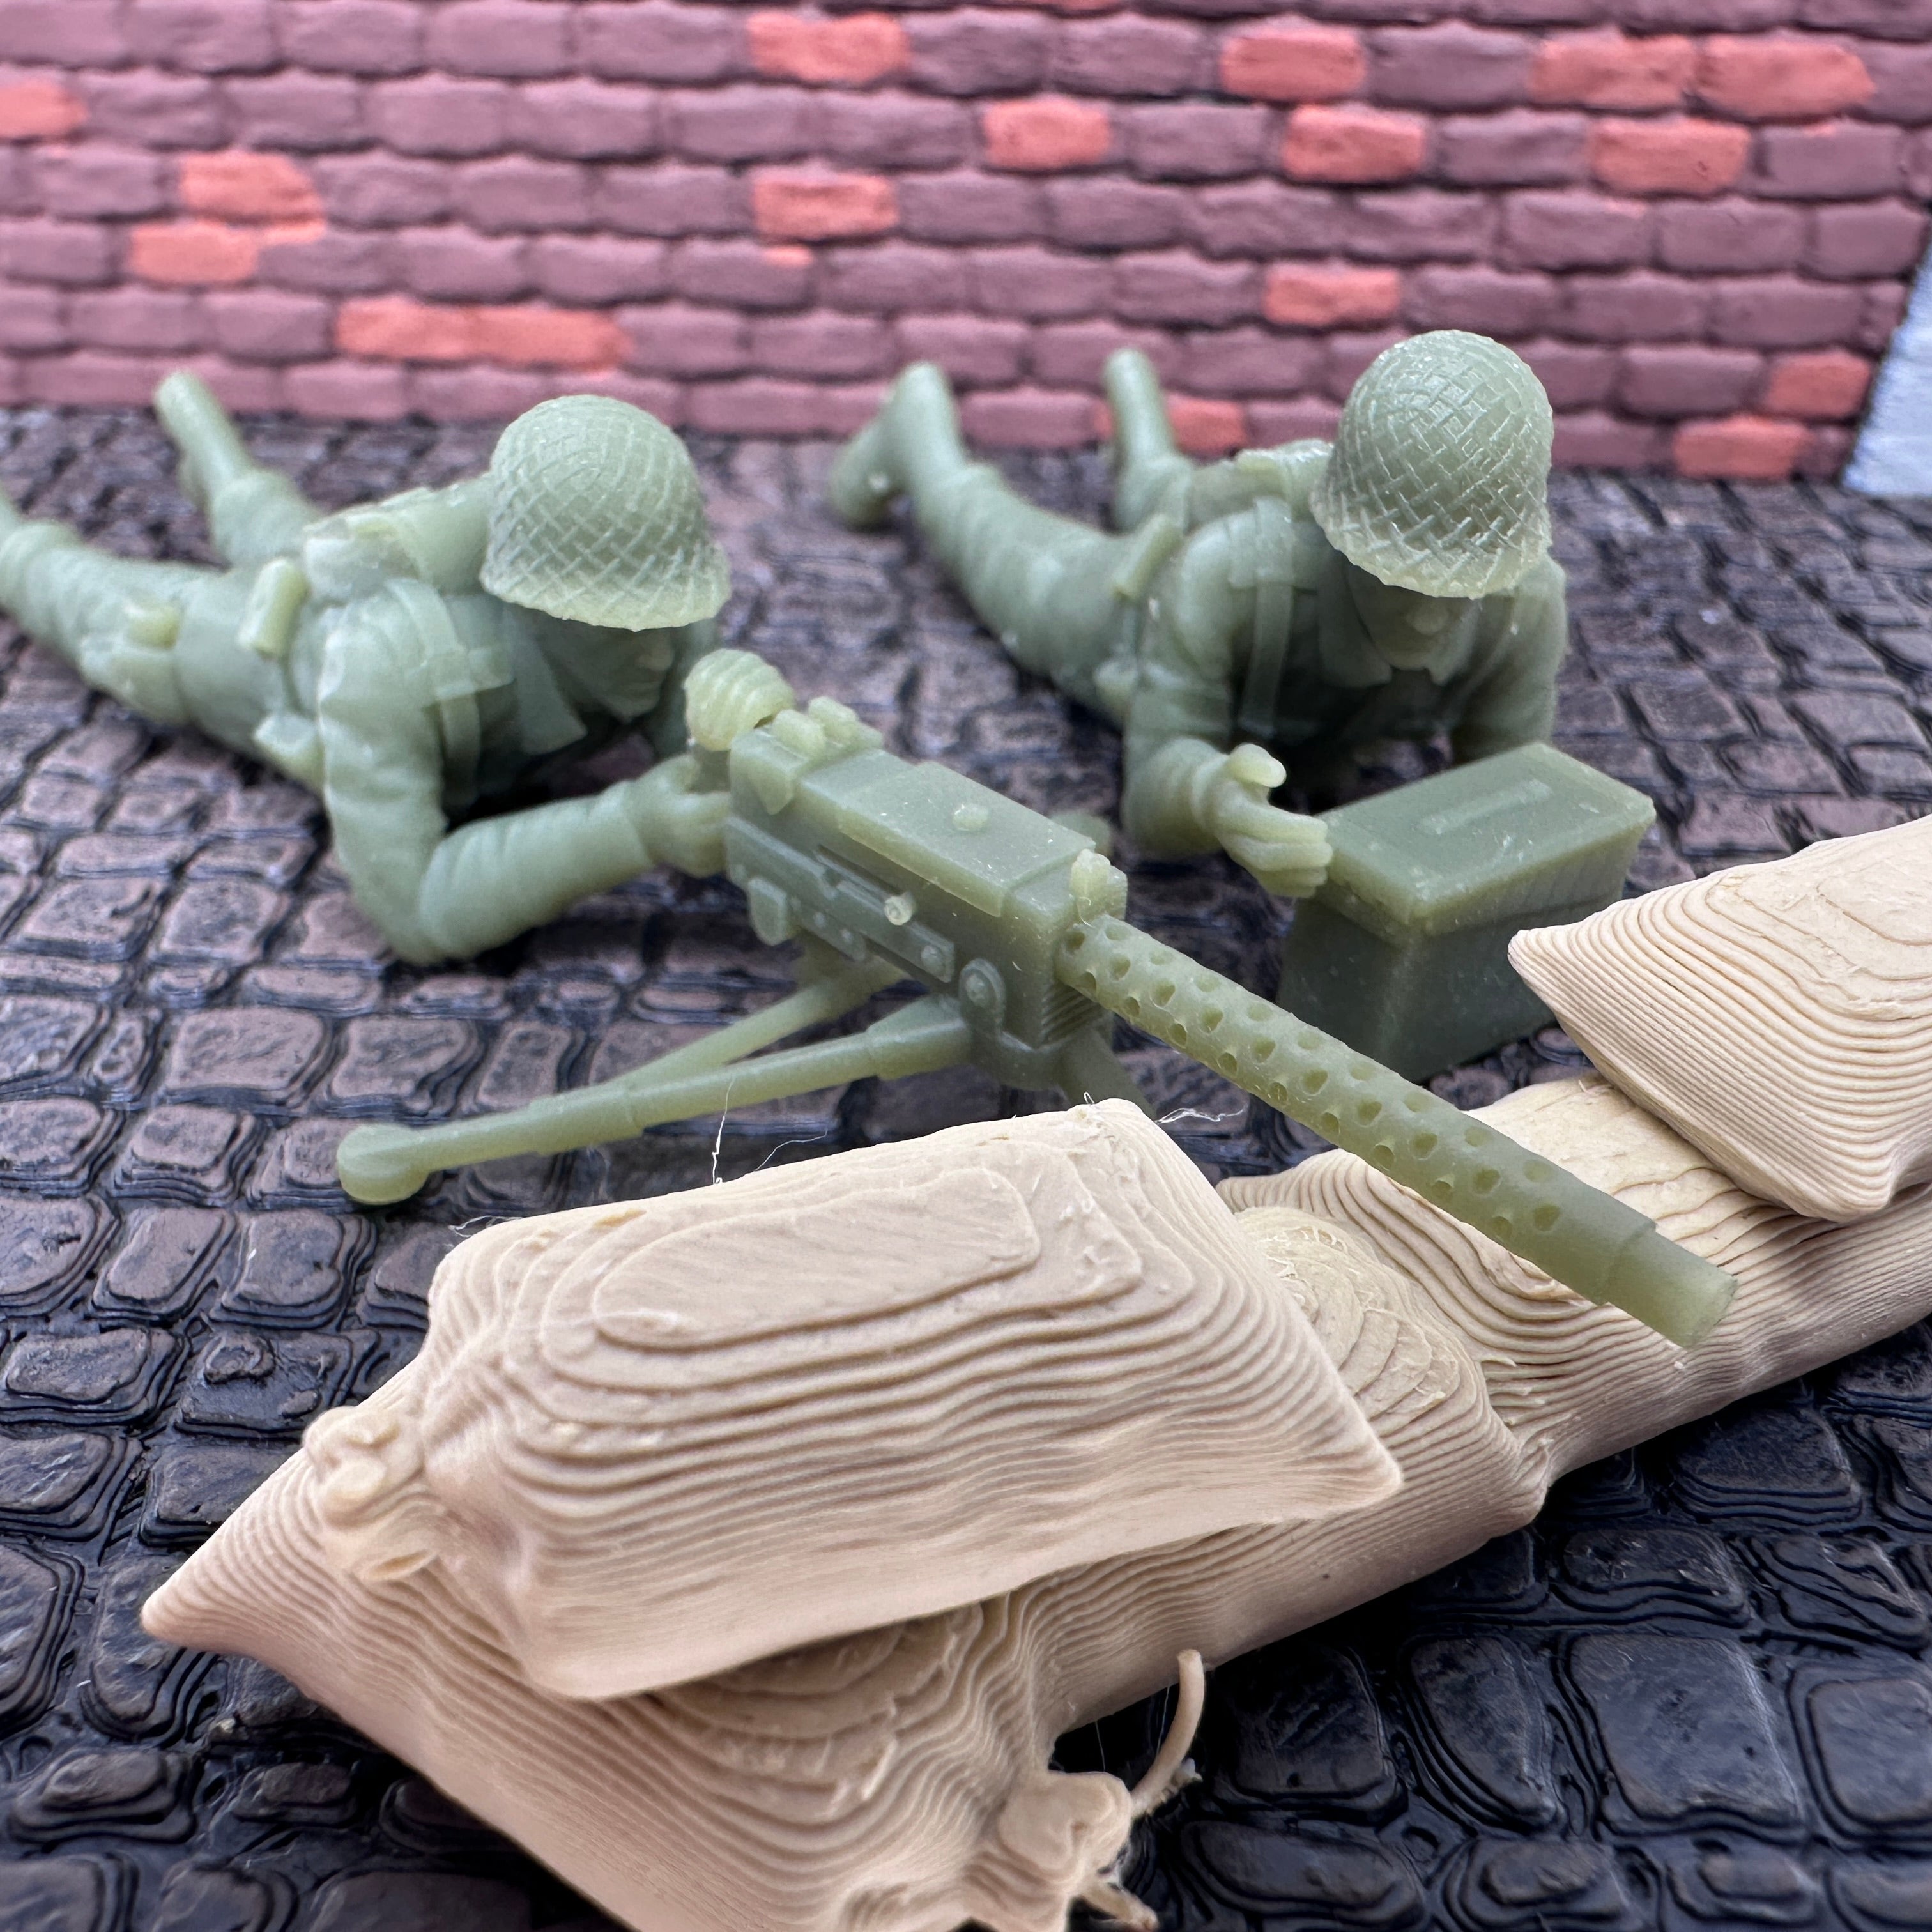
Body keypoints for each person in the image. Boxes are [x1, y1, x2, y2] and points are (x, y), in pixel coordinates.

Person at [0, 376, 732, 963]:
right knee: (84, 594)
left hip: (343, 577)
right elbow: (415, 912)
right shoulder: (393, 666)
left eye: (670, 614)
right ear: (533, 606)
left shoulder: (660, 604)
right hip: (274, 658)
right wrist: (629, 828)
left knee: (274, 522)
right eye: (614, 626)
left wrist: (746, 726)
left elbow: (709, 770)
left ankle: (209, 444)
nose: (659, 651)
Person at [829, 330, 1568, 900]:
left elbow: (1510, 795)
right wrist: (1212, 798)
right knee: (992, 540)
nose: (1430, 612)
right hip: (1128, 619)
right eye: (1394, 575)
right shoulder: (1227, 573)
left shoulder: (1525, 607)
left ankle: (1135, 409)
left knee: (1162, 485)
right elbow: (1153, 791)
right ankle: (915, 428)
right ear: (1343, 537)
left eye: (1463, 582)